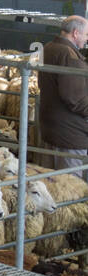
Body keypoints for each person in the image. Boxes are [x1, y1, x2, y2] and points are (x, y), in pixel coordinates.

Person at [39, 15, 88, 181]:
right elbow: (74, 98)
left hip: (50, 128)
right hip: (70, 135)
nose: (86, 39)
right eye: (86, 34)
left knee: (49, 182)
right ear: (76, 33)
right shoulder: (70, 56)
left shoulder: (49, 47)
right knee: (69, 186)